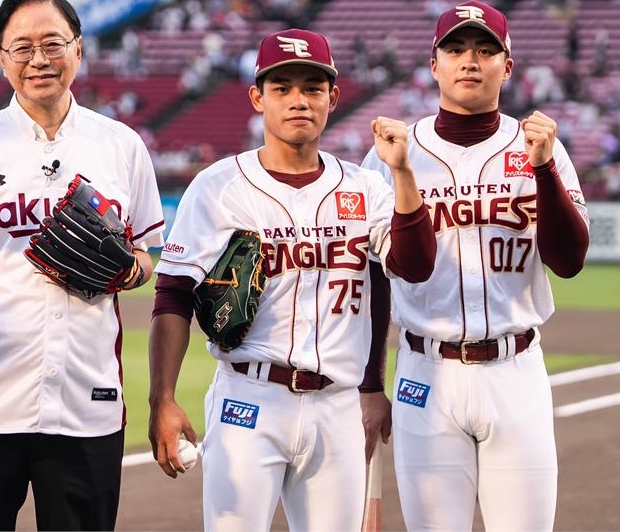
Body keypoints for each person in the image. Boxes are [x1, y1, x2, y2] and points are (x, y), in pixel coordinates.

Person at [148, 28, 437, 531]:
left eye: (312, 87)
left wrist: (404, 173)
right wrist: (163, 399)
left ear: (333, 97)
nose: (298, 100)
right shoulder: (218, 186)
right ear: (257, 97)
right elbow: (172, 295)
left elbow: (414, 267)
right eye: (282, 88)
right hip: (248, 399)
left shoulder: (367, 187)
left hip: (337, 406)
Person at [0, 0, 165, 531]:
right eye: (22, 47)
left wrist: (125, 269)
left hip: (87, 403)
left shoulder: (120, 146)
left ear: (79, 49)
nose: (38, 59)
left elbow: (145, 255)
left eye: (53, 43)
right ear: (0, 59)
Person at [361, 0, 590, 531]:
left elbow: (570, 260)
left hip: (516, 370)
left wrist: (544, 169)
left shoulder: (536, 146)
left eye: (486, 50)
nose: (470, 61)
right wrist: (371, 384)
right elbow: (375, 276)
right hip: (425, 373)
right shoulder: (394, 152)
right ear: (434, 63)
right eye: (456, 49)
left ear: (506, 67)